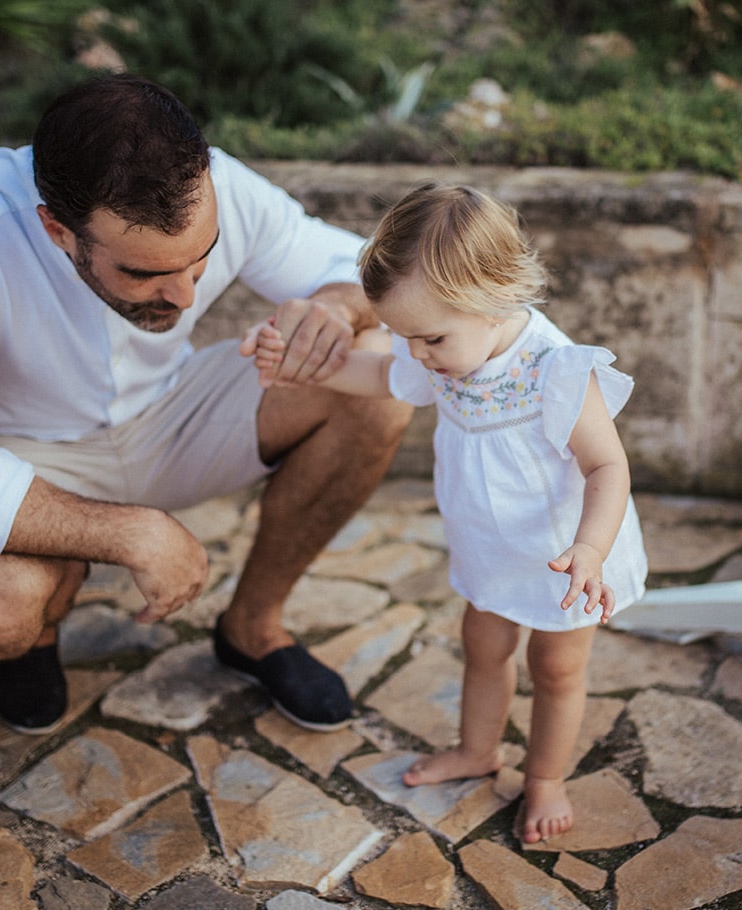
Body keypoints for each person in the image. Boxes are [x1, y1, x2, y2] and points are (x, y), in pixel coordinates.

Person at [0, 74, 412, 735]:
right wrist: (131, 533)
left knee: (375, 379)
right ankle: (34, 640)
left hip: (172, 415)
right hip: (26, 457)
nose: (184, 296)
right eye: (145, 273)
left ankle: (252, 627)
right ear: (58, 230)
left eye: (200, 260)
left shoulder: (215, 184)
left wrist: (337, 305)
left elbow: (366, 268)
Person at [243, 183, 647, 843]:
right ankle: (477, 750)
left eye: (429, 339)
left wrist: (591, 550)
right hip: (492, 545)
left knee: (557, 667)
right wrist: (309, 369)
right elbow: (382, 379)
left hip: (566, 552)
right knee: (482, 646)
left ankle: (544, 777)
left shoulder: (557, 371)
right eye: (408, 338)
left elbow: (609, 468)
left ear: (493, 302)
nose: (417, 355)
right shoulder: (444, 344)